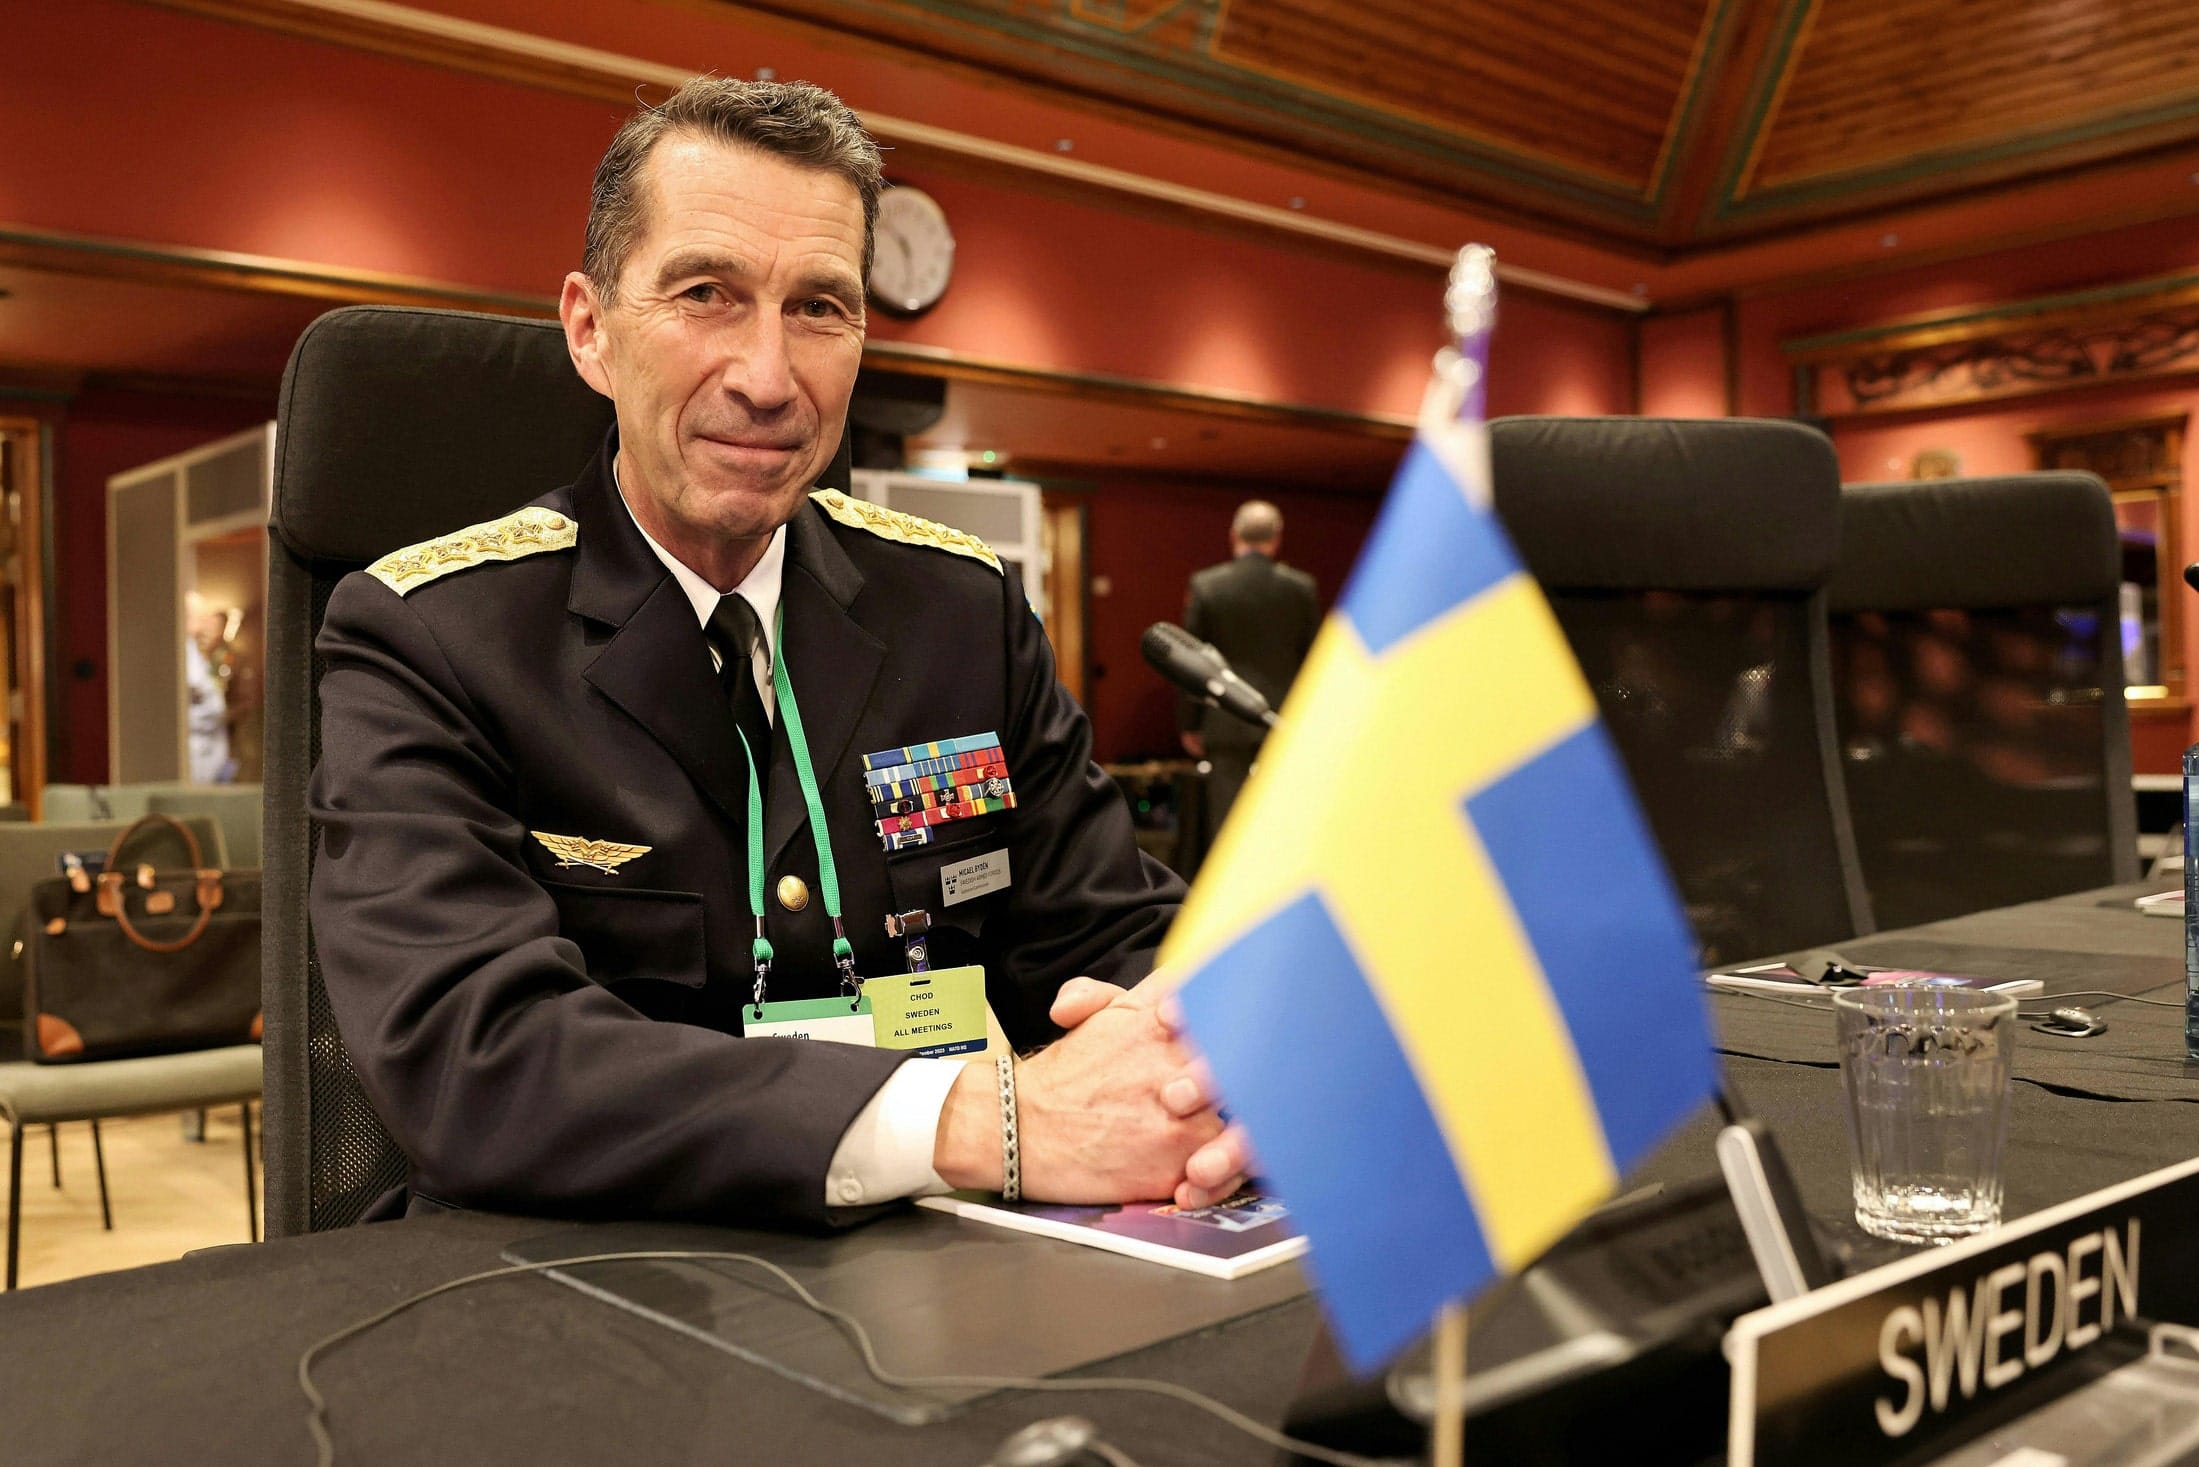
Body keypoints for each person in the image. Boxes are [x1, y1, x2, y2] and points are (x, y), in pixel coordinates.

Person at [310, 79, 1247, 1228]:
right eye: (707, 295)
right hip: (579, 1294)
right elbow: (478, 1055)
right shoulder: (428, 634)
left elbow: (1114, 935)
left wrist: (1210, 1068)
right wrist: (972, 1120)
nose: (768, 377)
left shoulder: (960, 612)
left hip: (944, 1283)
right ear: (591, 331)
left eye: (819, 308)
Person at [1179, 500, 1319, 836]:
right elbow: (1312, 661)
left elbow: (1190, 662)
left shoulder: (1207, 585)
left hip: (1224, 719)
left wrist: (1190, 723)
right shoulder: (1301, 588)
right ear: (1276, 539)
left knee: (1228, 825)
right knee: (1284, 818)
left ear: (1234, 536)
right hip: (1282, 717)